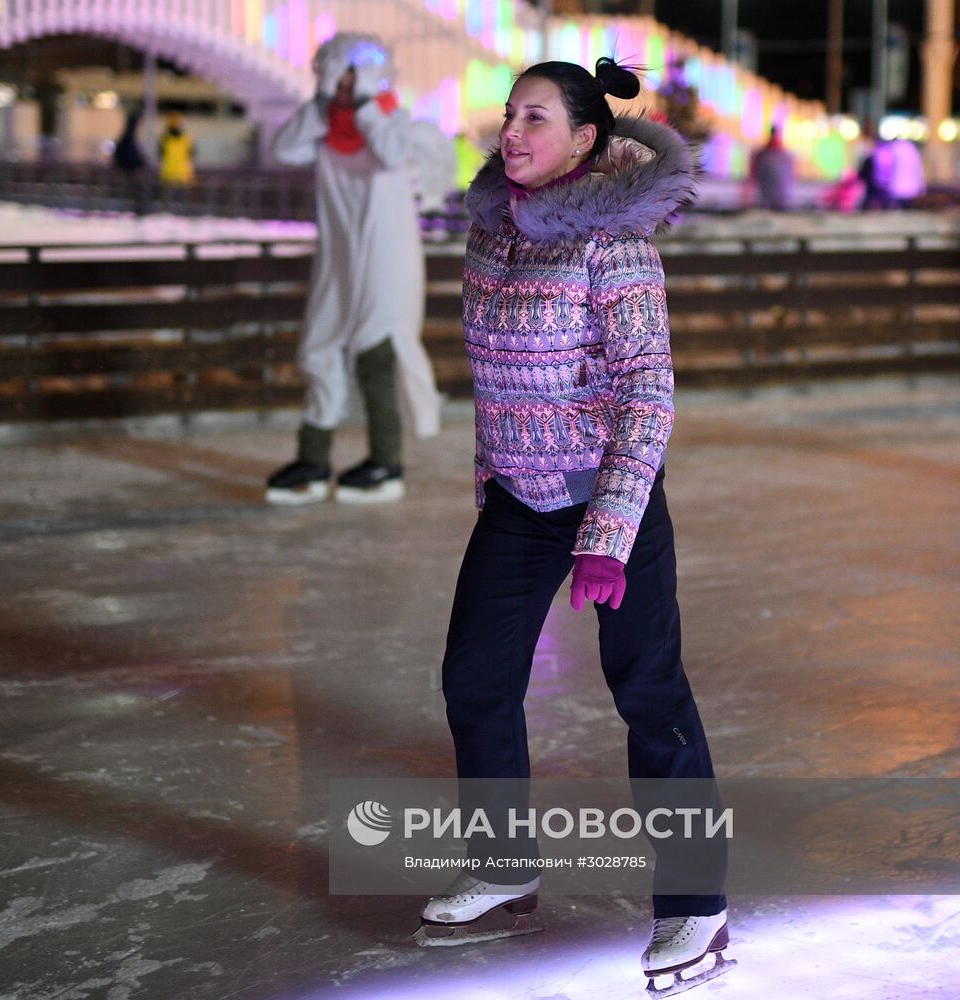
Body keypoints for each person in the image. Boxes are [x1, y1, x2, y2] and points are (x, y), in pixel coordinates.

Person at [412, 58, 732, 997]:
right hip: (518, 499)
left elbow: (648, 391)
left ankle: (695, 906)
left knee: (650, 695)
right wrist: (491, 479)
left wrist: (611, 528)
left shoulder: (616, 243)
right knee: (475, 680)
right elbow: (492, 377)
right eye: (510, 114)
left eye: (537, 119)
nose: (512, 132)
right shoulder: (490, 231)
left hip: (607, 499)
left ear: (587, 140)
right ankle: (505, 861)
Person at [264, 33, 441, 504]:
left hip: (386, 257)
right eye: (333, 75)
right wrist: (322, 105)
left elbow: (386, 151)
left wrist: (364, 103)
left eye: (350, 76)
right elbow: (283, 149)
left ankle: (387, 463)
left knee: (377, 353)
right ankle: (314, 461)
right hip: (340, 256)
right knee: (319, 345)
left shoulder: (392, 121)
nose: (342, 86)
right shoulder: (323, 130)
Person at [745, 125, 794, 210]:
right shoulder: (785, 155)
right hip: (776, 196)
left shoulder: (762, 154)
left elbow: (754, 174)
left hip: (771, 196)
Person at [159, 113, 196, 187]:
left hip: (169, 175)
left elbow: (161, 153)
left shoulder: (164, 138)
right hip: (182, 176)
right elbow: (192, 154)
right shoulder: (186, 138)